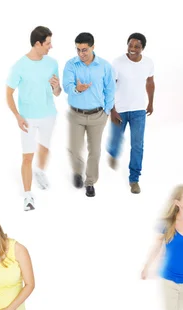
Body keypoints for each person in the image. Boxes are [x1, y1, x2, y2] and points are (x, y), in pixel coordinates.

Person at [6, 25, 61, 211]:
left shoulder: (52, 63)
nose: (50, 46)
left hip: (49, 115)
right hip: (28, 118)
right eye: (48, 43)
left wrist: (56, 87)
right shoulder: (19, 66)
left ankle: (40, 172)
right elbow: (8, 93)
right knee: (28, 156)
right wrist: (17, 116)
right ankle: (28, 196)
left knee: (44, 150)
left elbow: (58, 93)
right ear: (37, 44)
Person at [63, 32, 115, 197]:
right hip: (76, 114)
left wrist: (106, 111)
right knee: (73, 149)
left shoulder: (105, 66)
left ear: (93, 47)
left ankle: (90, 182)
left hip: (97, 116)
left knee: (95, 151)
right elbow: (67, 85)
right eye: (78, 50)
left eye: (84, 50)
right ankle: (77, 172)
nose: (81, 54)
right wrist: (77, 89)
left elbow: (110, 90)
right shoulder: (71, 65)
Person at [107, 32, 155, 194]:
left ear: (143, 48)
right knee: (116, 139)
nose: (133, 49)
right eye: (130, 45)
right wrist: (111, 109)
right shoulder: (118, 62)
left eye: (137, 46)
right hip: (119, 110)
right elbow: (110, 86)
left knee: (137, 145)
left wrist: (151, 103)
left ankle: (134, 179)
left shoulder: (148, 63)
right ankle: (113, 153)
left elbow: (150, 82)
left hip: (138, 110)